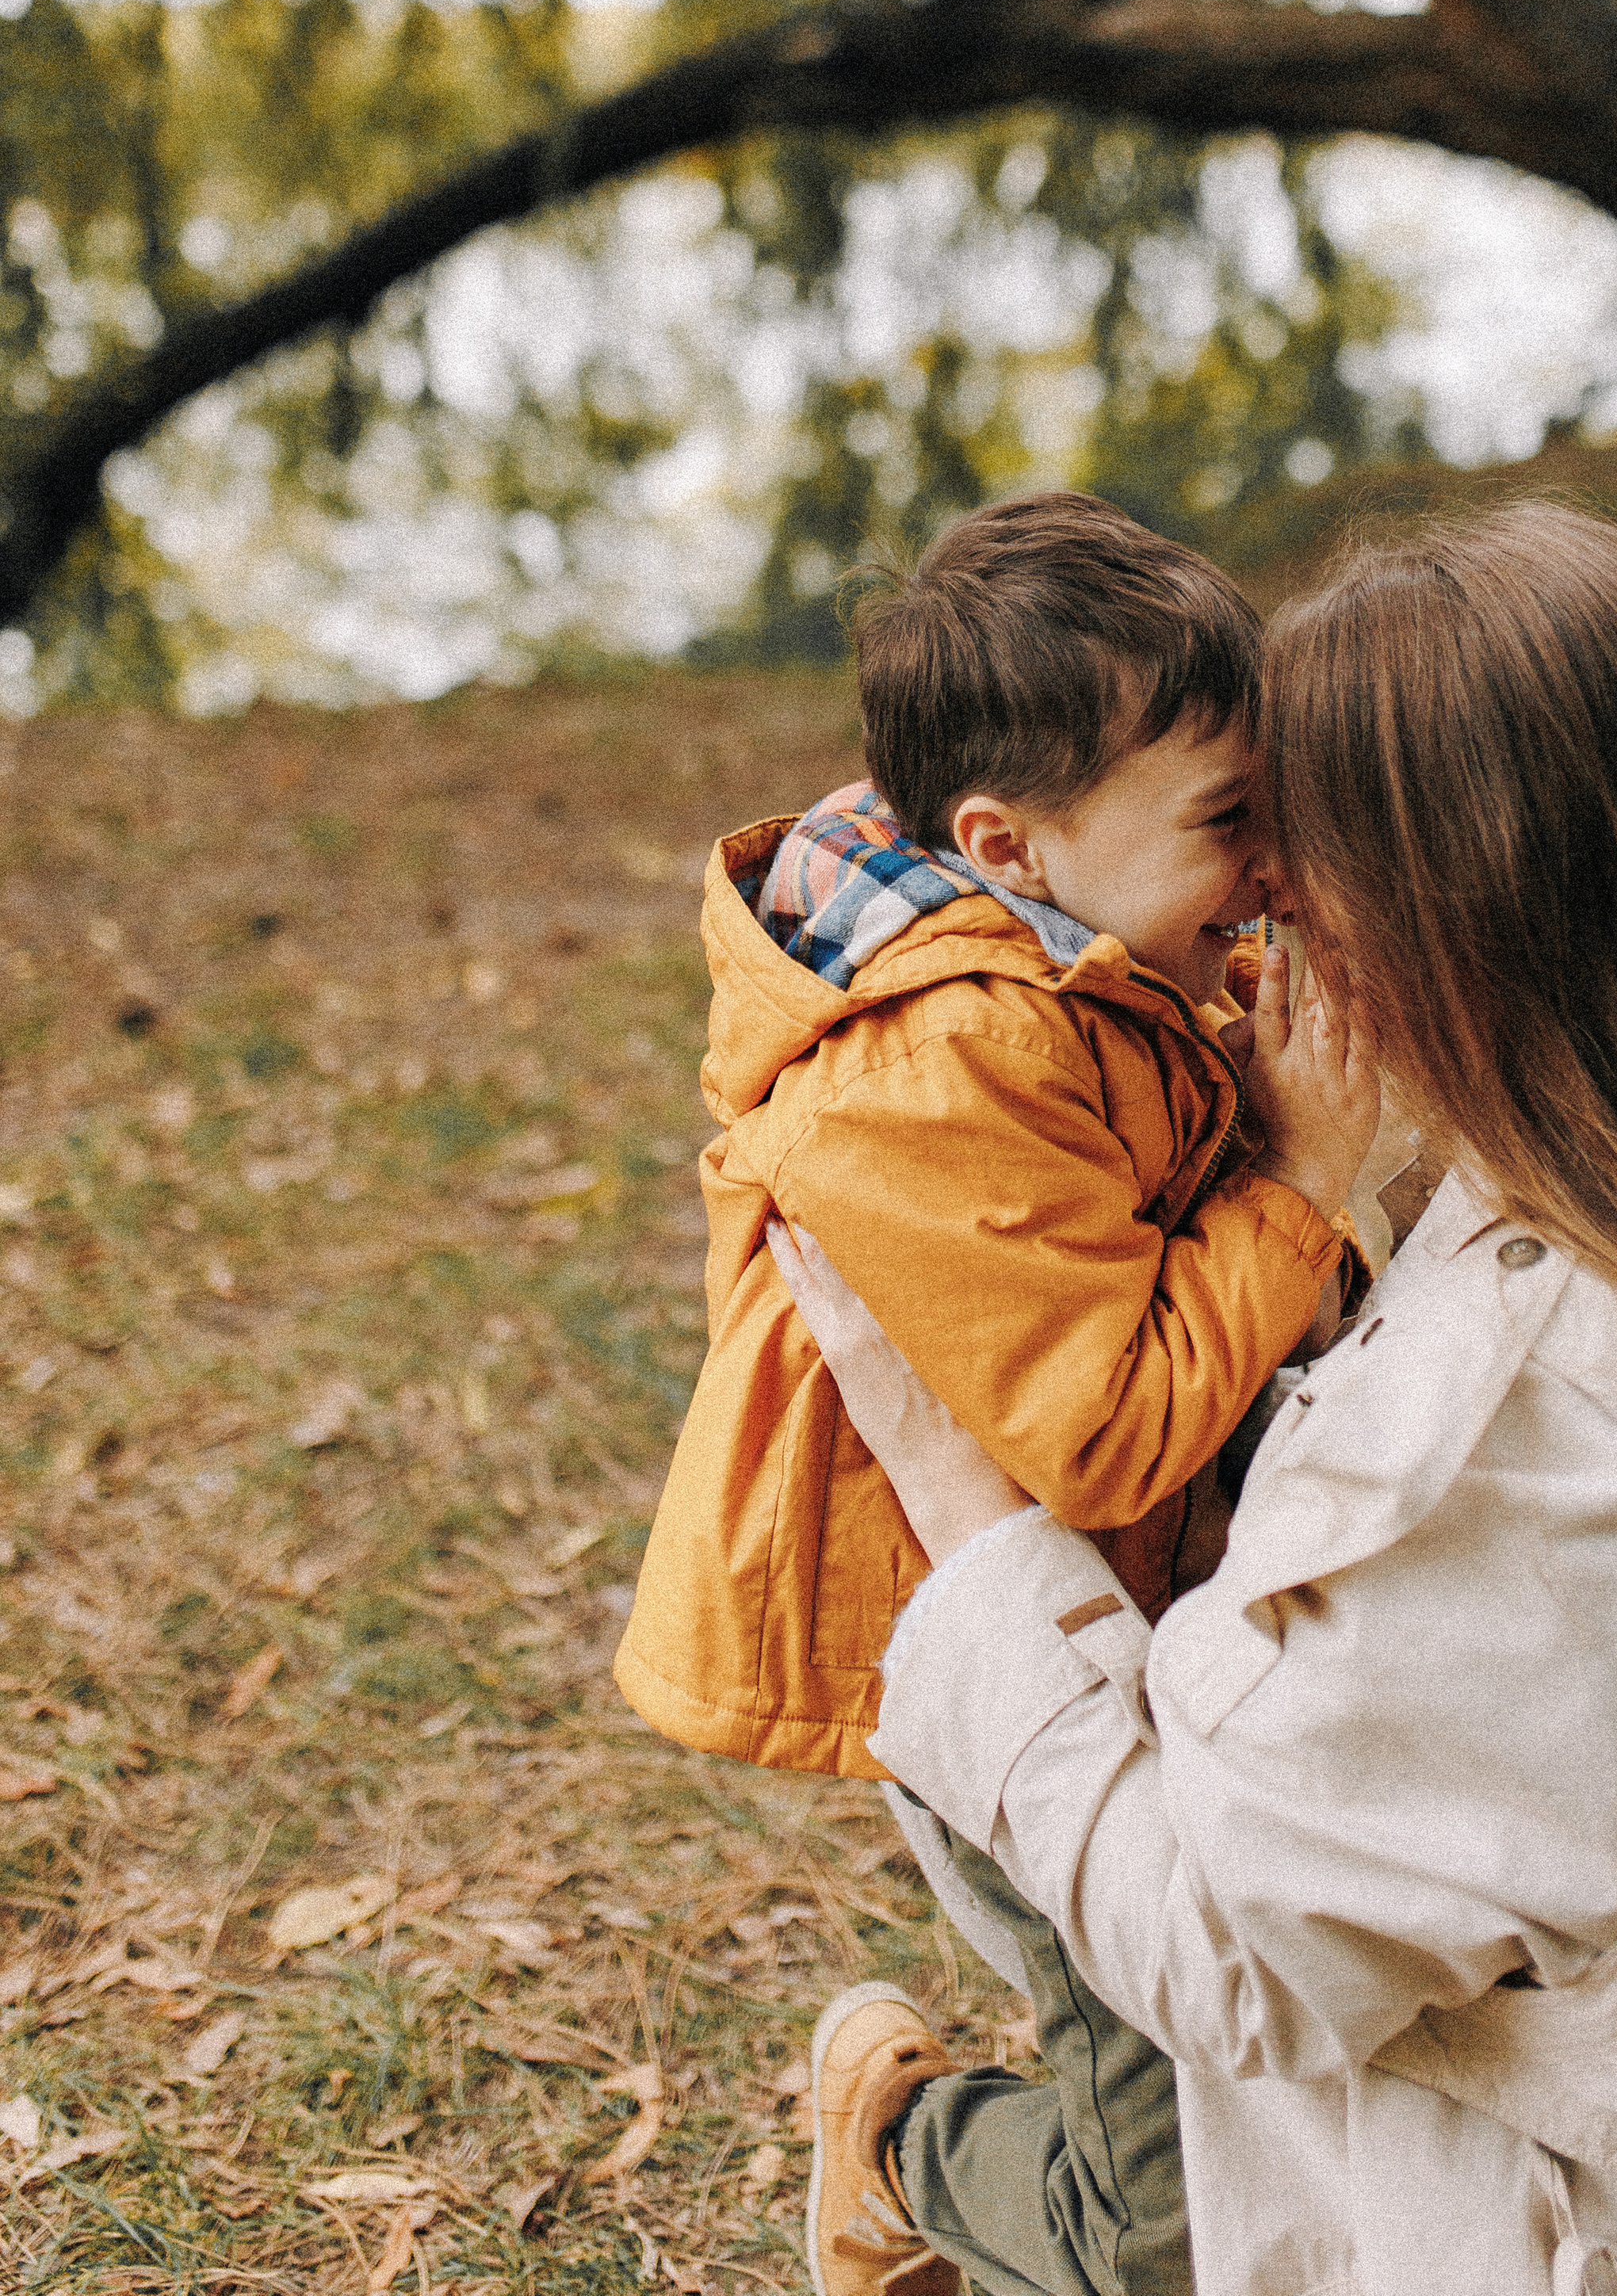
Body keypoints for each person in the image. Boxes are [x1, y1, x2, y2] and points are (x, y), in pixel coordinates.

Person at [774, 500, 1617, 2296]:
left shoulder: (1519, 1449)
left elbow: (1223, 1950)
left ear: (1466, 897)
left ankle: (901, 2143)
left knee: (1148, 2234)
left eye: (1299, 842)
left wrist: (964, 1513)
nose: (1263, 896)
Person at [614, 491, 1372, 2296]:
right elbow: (1099, 1421)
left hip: (1127, 1614)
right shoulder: (940, 1060)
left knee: (1274, 2087)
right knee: (1172, 2239)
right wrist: (1303, 1181)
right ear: (1005, 846)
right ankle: (897, 2147)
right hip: (996, 1667)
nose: (1272, 870)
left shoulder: (1082, 971)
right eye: (1228, 824)